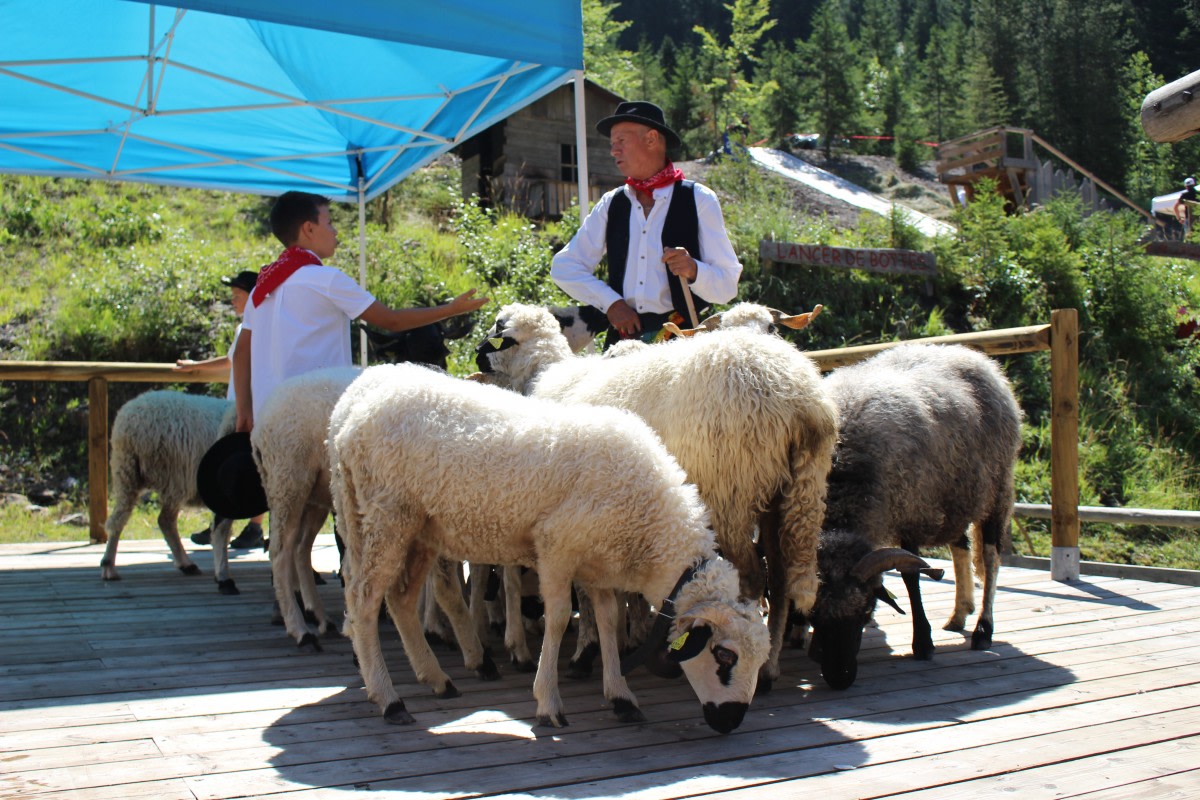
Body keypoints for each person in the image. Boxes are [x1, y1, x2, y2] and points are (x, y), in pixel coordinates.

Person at [233, 190, 489, 433]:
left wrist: (244, 409)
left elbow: (242, 351)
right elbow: (391, 320)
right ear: (309, 229)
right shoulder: (326, 279)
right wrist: (451, 309)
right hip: (316, 415)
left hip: (268, 418)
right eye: (330, 223)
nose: (335, 232)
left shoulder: (262, 288)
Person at [550, 101, 742, 347]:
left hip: (683, 346)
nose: (613, 151)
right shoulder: (613, 203)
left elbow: (727, 287)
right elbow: (565, 266)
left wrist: (694, 269)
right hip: (624, 344)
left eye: (621, 141)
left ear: (651, 139)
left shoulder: (699, 199)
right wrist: (611, 303)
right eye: (612, 144)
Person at [174, 269, 265, 549]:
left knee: (248, 466)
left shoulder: (261, 326)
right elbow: (231, 360)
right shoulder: (245, 329)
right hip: (240, 407)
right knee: (239, 464)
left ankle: (249, 525)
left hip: (249, 408)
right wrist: (196, 367)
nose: (234, 301)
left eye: (238, 296)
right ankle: (230, 524)